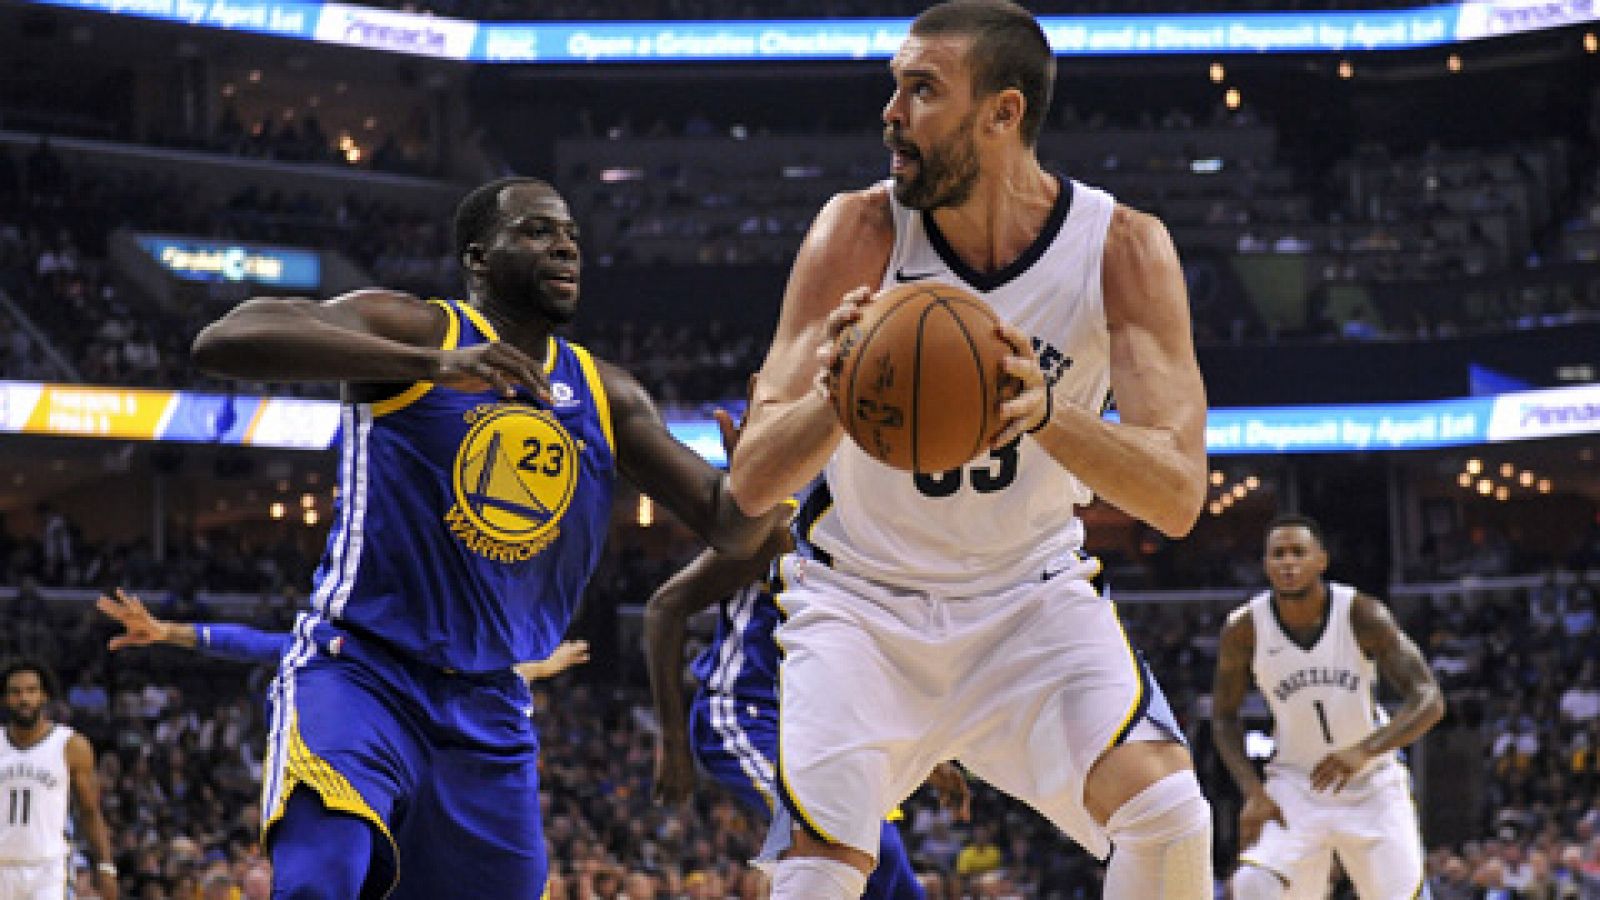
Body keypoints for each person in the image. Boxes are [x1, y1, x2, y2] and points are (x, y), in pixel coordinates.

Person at [723, 2, 1212, 897]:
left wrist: (1047, 414)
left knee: (1171, 816)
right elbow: (751, 483)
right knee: (815, 878)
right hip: (857, 606)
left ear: (1003, 112)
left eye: (921, 90)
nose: (891, 114)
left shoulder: (1123, 248)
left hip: (1030, 602)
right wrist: (835, 396)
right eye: (894, 88)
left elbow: (1179, 497)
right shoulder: (859, 232)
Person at [189, 175, 782, 899]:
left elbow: (732, 526)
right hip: (363, 669)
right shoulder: (417, 329)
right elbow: (226, 339)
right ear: (478, 258)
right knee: (324, 875)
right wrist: (431, 368)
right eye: (536, 231)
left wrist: (767, 462)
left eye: (569, 234)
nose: (564, 244)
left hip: (490, 703)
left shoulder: (607, 393)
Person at [645, 481, 969, 899]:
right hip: (744, 714)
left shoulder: (878, 549)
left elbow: (860, 664)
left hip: (818, 723)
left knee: (897, 876)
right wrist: (672, 746)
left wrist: (924, 755)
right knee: (849, 842)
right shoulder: (781, 525)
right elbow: (664, 609)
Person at [1211, 513, 1445, 899]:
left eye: (1298, 552)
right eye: (1278, 554)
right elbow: (1223, 717)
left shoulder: (1361, 613)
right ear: (1266, 564)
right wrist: (1252, 790)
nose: (1288, 562)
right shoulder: (1244, 628)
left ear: (1321, 559)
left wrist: (1363, 751)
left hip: (1371, 783)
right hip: (1295, 785)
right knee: (1253, 884)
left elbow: (1429, 699)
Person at [94, 589, 592, 684]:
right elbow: (250, 644)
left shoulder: (424, 649)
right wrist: (165, 631)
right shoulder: (337, 647)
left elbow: (481, 675)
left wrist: (543, 666)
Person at [1, 659, 119, 899]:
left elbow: (89, 811)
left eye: (31, 691)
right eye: (16, 692)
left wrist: (106, 866)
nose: (24, 699)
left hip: (50, 869)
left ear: (44, 696)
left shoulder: (70, 745)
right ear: (4, 698)